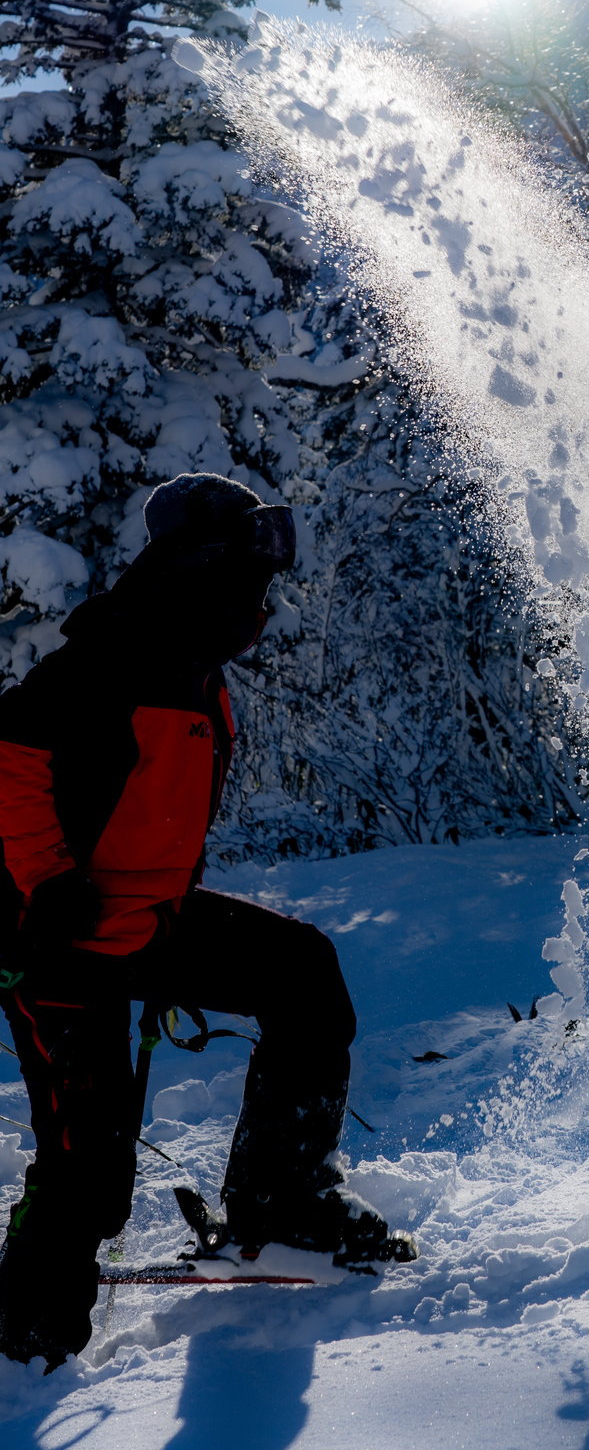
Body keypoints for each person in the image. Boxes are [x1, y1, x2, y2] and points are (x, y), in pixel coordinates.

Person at [0, 473, 414, 1369]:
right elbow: (13, 754)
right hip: (59, 943)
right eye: (248, 568)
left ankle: (283, 1206)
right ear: (200, 561)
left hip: (148, 919)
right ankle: (27, 1330)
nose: (261, 596)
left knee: (301, 975)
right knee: (89, 1163)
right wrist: (46, 881)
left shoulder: (192, 662)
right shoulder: (110, 653)